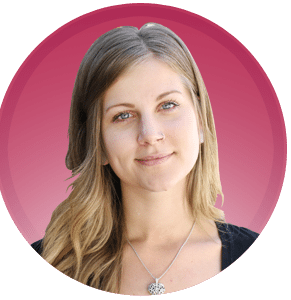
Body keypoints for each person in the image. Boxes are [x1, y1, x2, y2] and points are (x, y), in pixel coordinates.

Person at [31, 23, 258, 296]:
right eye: (123, 115)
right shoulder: (47, 263)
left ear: (200, 120)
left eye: (168, 105)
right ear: (98, 143)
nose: (150, 135)